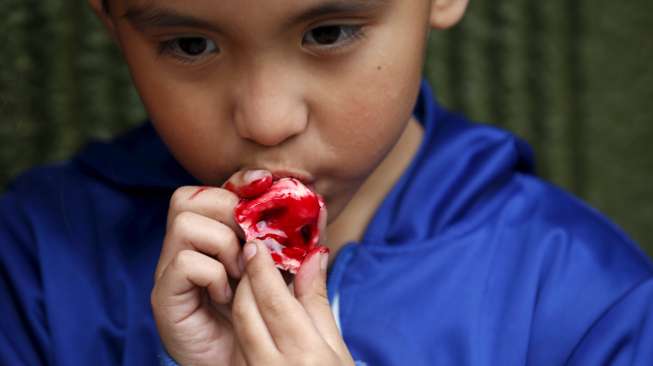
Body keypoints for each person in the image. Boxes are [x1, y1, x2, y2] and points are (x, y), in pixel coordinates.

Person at [1, 0, 652, 365]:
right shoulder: (37, 263)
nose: (265, 120)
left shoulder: (585, 302)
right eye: (191, 46)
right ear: (110, 21)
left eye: (327, 32)